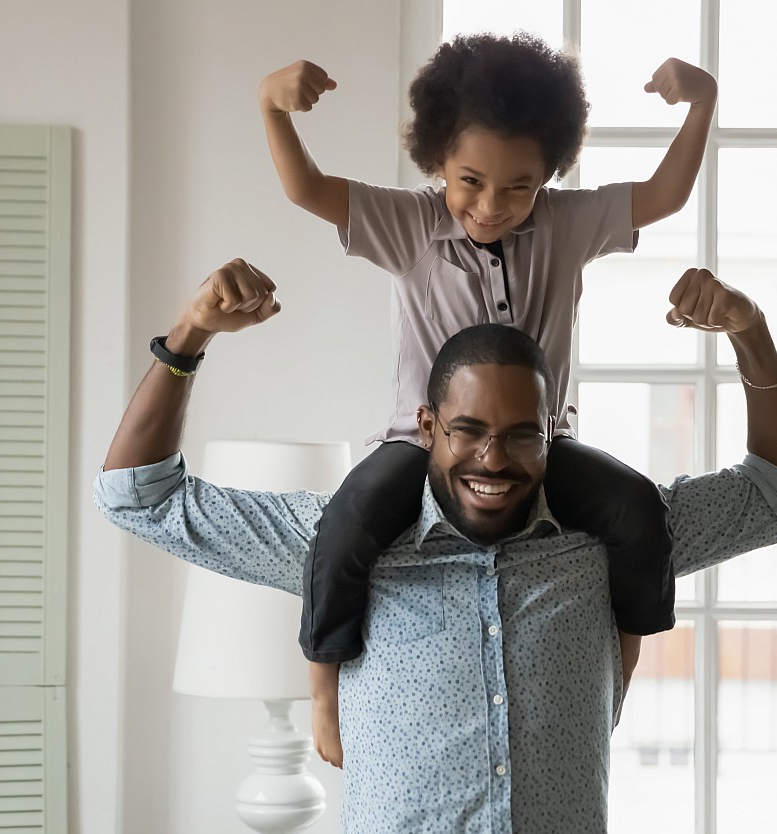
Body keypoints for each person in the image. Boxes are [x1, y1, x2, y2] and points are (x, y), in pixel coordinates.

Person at [95, 259, 777, 834]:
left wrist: (750, 333)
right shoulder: (343, 542)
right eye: (467, 430)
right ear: (426, 426)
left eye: (519, 434)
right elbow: (139, 497)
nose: (491, 458)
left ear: (553, 431)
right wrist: (189, 335)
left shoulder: (612, 539)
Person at [257, 33, 720, 765]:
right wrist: (273, 109)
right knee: (343, 527)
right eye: (470, 181)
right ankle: (321, 690)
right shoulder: (409, 225)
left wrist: (701, 107)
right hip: (424, 446)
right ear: (437, 159)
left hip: (544, 447)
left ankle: (619, 677)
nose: (492, 205)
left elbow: (663, 196)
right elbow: (307, 189)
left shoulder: (567, 226)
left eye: (519, 186)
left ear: (549, 175)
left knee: (637, 512)